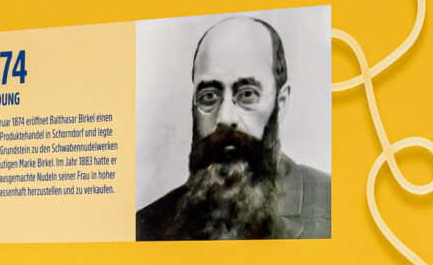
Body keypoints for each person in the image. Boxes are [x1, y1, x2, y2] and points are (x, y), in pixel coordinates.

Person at [135, 15, 331, 240]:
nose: (225, 118)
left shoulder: (334, 203)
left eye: (247, 94)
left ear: (281, 102)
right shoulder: (147, 227)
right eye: (209, 96)